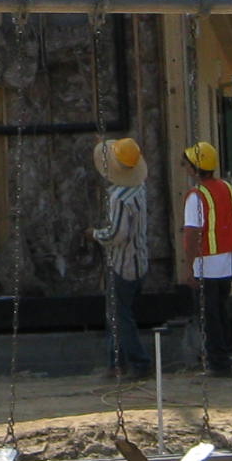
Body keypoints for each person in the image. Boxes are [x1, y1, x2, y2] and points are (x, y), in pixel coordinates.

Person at [179, 143, 232, 377]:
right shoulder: (225, 187)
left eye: (187, 164)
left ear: (195, 168)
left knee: (208, 315)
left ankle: (218, 364)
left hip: (205, 261)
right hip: (225, 259)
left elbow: (192, 234)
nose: (185, 168)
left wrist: (188, 268)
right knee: (220, 312)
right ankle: (223, 359)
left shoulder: (196, 196)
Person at [91, 136, 150, 377]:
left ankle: (138, 363)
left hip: (122, 262)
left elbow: (117, 234)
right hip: (139, 260)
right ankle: (117, 363)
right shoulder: (139, 189)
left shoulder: (118, 198)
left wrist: (94, 234)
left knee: (120, 317)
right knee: (120, 314)